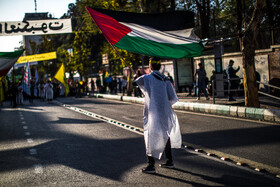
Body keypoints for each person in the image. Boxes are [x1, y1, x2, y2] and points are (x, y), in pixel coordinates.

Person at [134, 58, 182, 174]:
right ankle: (169, 161)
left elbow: (135, 82)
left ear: (150, 66)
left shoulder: (147, 78)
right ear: (160, 66)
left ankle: (151, 165)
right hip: (165, 111)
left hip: (152, 112)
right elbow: (172, 97)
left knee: (150, 135)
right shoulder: (166, 79)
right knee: (166, 134)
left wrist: (138, 74)